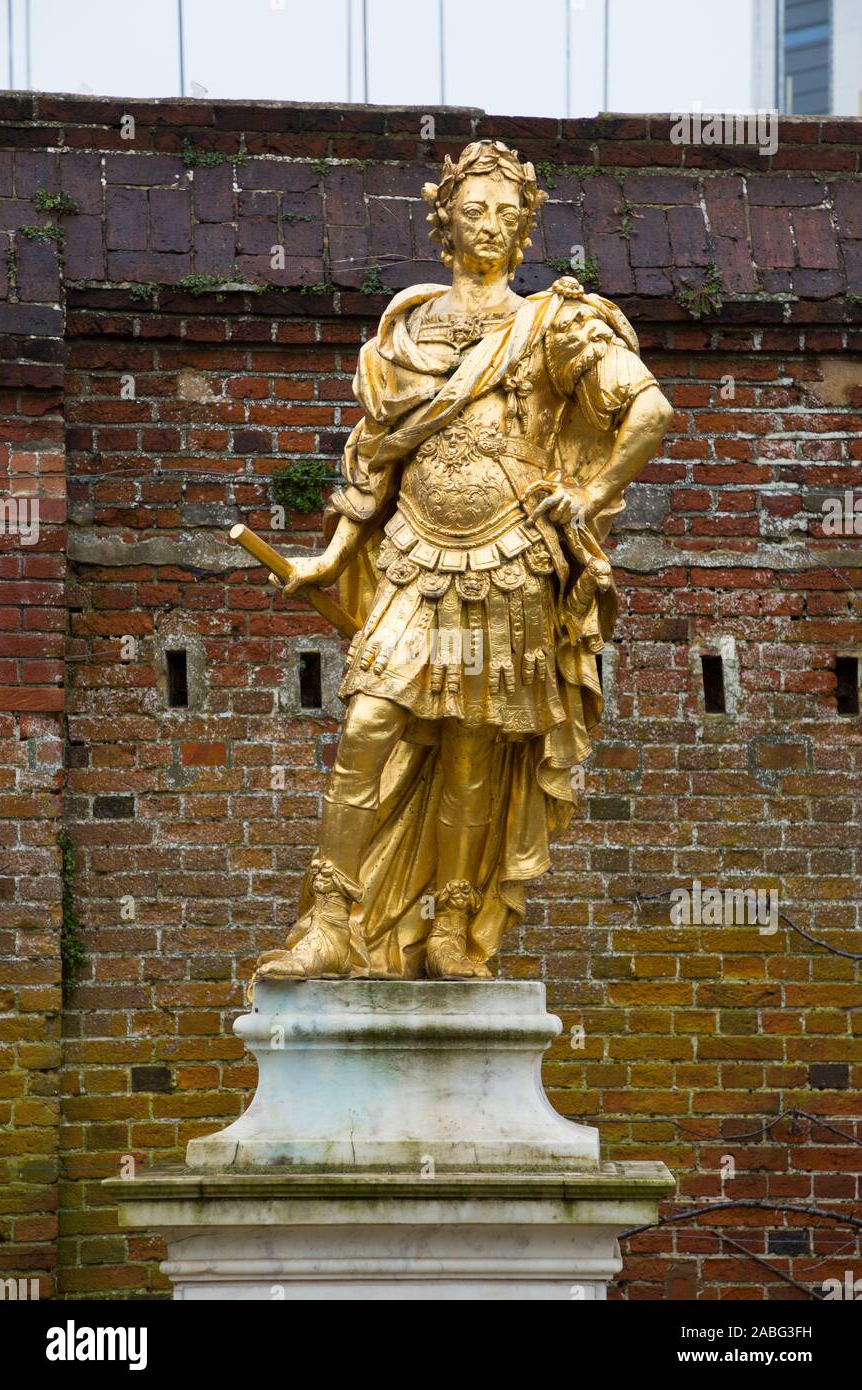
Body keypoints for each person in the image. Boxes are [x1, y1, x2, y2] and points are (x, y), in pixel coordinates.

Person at [253, 139, 673, 985]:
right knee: (368, 725)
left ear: (525, 232)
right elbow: (377, 457)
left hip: (510, 565)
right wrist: (332, 559)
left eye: (507, 214)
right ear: (444, 223)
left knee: (473, 750)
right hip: (412, 561)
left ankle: (450, 927)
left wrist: (586, 499)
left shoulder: (554, 322)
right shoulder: (404, 331)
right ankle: (330, 919)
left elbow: (649, 409)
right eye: (474, 210)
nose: (491, 224)